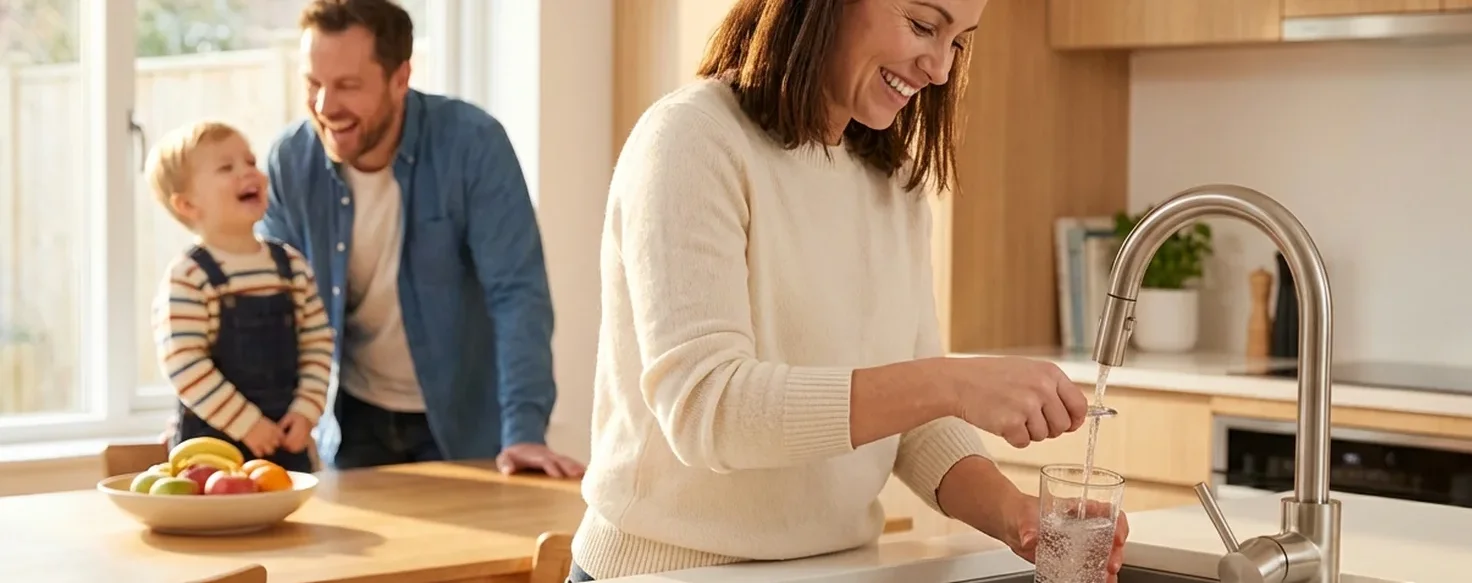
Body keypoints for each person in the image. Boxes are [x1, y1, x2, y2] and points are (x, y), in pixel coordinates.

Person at [573, 0, 1128, 580]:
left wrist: (1018, 516)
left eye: (959, 42)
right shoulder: (692, 139)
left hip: (834, 570)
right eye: (922, 25)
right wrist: (954, 381)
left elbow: (916, 422)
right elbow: (708, 409)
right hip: (662, 573)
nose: (939, 69)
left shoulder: (895, 183)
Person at [256, 0, 585, 477]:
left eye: (348, 85)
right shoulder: (292, 160)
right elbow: (272, 303)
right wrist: (222, 412)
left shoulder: (472, 144)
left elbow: (517, 295)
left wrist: (524, 433)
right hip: (352, 419)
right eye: (313, 84)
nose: (325, 107)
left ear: (400, 78)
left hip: (463, 423)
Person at [147, 120, 331, 473]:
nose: (248, 173)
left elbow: (318, 343)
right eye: (226, 167)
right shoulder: (189, 276)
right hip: (212, 449)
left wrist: (306, 411)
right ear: (187, 204)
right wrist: (247, 425)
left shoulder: (291, 266)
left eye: (250, 162)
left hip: (285, 439)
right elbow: (185, 364)